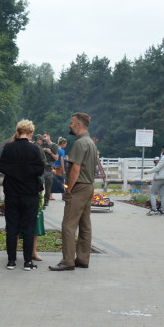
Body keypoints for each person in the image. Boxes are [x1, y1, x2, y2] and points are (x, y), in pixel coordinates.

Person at [50, 113, 97, 272]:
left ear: (78, 125)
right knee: (85, 225)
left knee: (68, 225)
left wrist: (69, 188)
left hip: (78, 188)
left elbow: (75, 169)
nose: (70, 125)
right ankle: (83, 259)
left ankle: (68, 261)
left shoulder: (79, 143)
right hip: (89, 186)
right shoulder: (90, 142)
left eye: (71, 123)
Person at [0, 119, 45, 270]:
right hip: (30, 193)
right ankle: (27, 263)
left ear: (18, 131)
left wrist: (15, 172)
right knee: (28, 228)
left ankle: (11, 261)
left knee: (11, 227)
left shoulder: (9, 148)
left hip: (12, 193)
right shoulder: (34, 149)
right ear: (31, 133)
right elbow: (40, 170)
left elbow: (1, 167)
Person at [144, 143, 164, 215]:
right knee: (162, 194)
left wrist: (147, 172)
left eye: (163, 149)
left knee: (152, 193)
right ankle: (163, 210)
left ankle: (154, 209)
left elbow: (157, 168)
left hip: (159, 178)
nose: (162, 151)